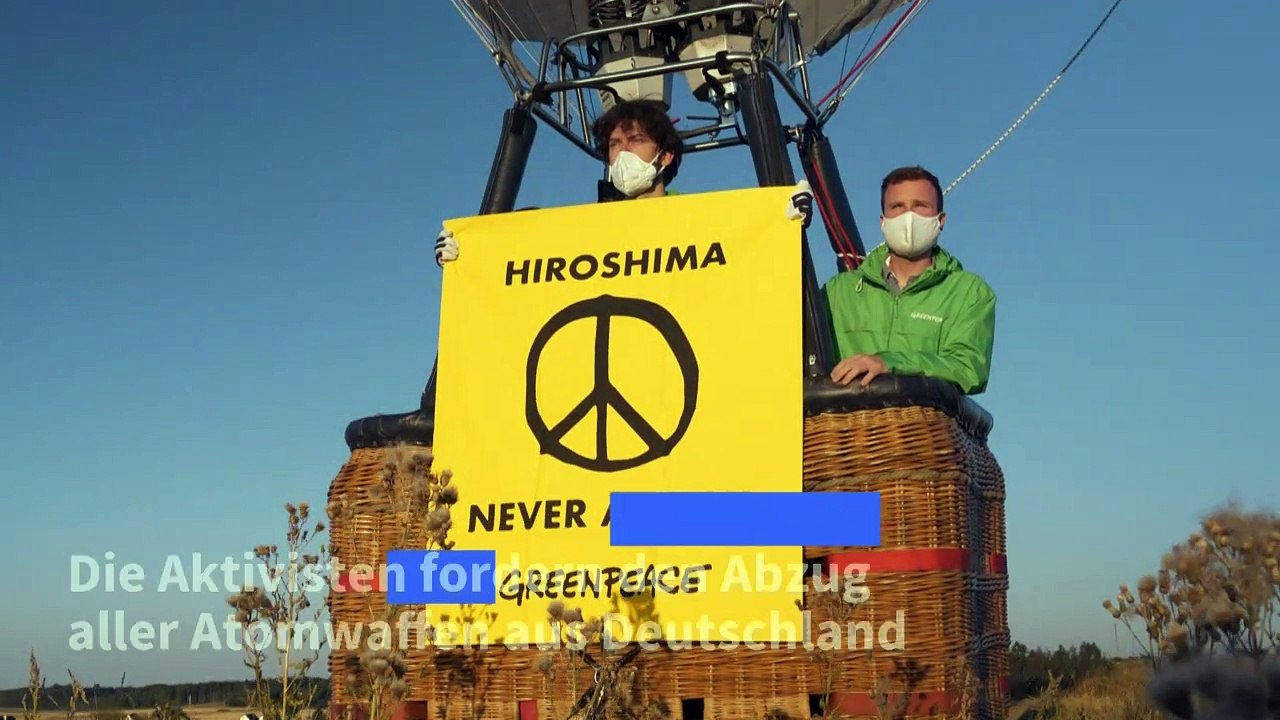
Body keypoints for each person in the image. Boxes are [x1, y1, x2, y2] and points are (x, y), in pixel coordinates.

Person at [434, 98, 813, 264]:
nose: (623, 152)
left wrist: (779, 224)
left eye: (636, 141)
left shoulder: (701, 222)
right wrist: (475, 253)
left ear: (665, 156)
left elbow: (746, 260)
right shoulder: (583, 230)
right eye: (615, 144)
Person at [821, 165, 996, 395]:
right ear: (883, 221)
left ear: (940, 220)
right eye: (898, 207)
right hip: (846, 428)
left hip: (924, 429)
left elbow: (968, 368)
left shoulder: (969, 292)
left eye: (920, 206)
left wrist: (889, 363)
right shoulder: (837, 292)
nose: (908, 217)